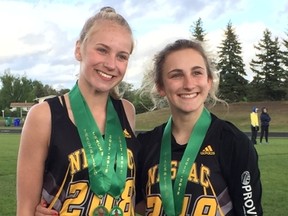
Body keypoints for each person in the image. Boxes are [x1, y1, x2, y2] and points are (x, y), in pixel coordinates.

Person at [17, 7, 140, 216]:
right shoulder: (43, 116)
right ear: (78, 50)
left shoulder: (127, 111)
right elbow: (25, 209)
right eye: (102, 50)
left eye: (122, 56)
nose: (111, 64)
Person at [136, 39, 263, 215]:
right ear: (160, 86)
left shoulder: (233, 143)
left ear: (209, 81)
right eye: (176, 75)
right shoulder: (144, 145)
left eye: (197, 73)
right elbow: (136, 204)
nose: (188, 84)